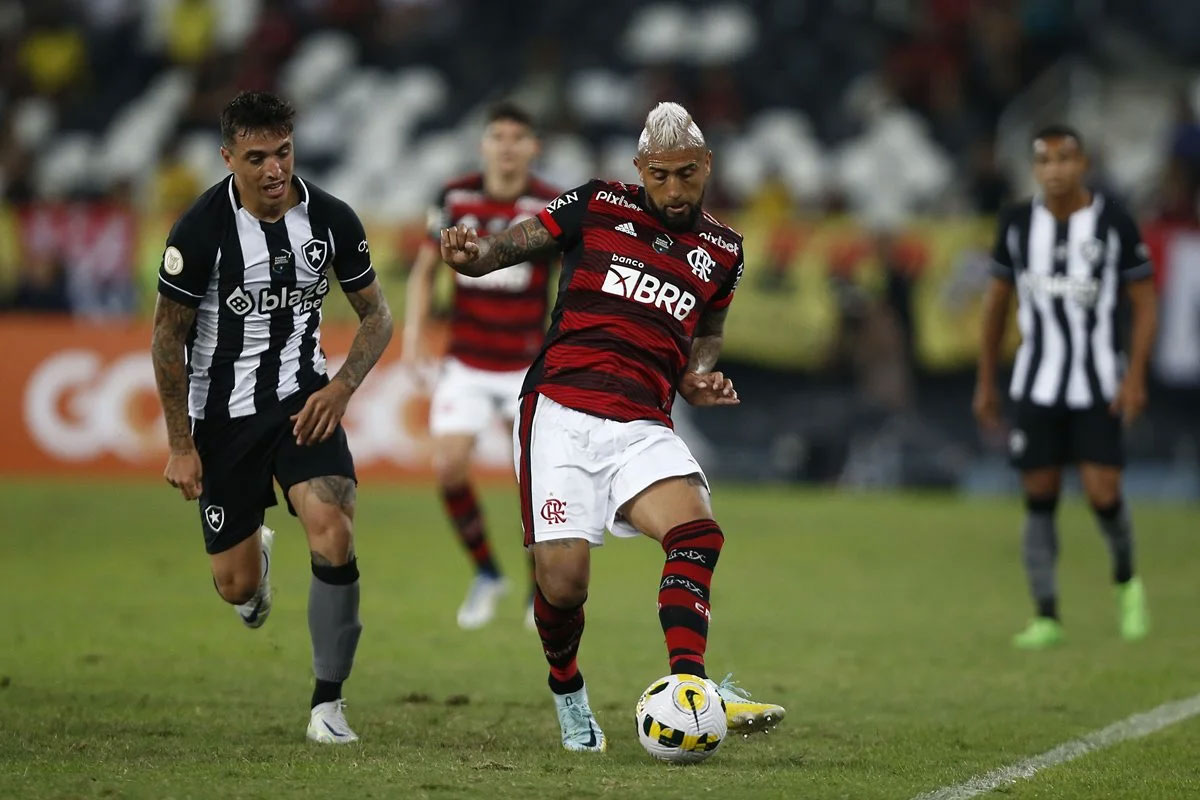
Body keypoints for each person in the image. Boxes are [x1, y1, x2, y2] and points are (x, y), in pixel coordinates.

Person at [440, 102, 785, 752]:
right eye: (662, 175)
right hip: (561, 412)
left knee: (697, 532)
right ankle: (569, 694)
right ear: (640, 169)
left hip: (643, 421)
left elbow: (706, 334)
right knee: (564, 586)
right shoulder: (597, 203)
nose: (675, 189)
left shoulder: (723, 250)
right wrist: (472, 254)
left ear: (707, 166)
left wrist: (698, 374)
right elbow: (506, 248)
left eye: (688, 174)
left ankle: (693, 690)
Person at [150, 91, 393, 742]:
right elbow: (166, 338)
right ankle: (253, 572)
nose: (273, 170)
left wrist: (340, 388)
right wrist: (181, 444)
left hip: (302, 403)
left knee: (334, 532)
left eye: (282, 152)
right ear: (228, 157)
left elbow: (378, 315)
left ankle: (328, 705)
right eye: (255, 157)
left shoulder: (332, 220)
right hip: (222, 420)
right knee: (233, 587)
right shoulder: (200, 230)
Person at [974, 124, 1157, 650]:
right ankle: (1047, 614)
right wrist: (987, 382)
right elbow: (996, 308)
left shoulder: (1114, 221)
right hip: (1037, 384)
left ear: (1084, 165)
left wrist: (1136, 376)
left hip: (1098, 383)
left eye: (1065, 159)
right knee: (1039, 495)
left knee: (1104, 492)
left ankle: (1127, 584)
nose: (1055, 169)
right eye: (1044, 160)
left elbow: (1145, 303)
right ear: (1035, 169)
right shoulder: (1015, 222)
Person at [403, 102, 558, 630]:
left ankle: (539, 591)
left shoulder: (549, 203)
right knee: (447, 467)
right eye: (498, 135)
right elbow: (425, 270)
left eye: (519, 136)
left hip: (525, 364)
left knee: (535, 484)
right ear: (484, 144)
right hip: (466, 361)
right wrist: (413, 336)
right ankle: (488, 573)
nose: (508, 145)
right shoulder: (455, 196)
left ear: (533, 146)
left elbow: (571, 277)